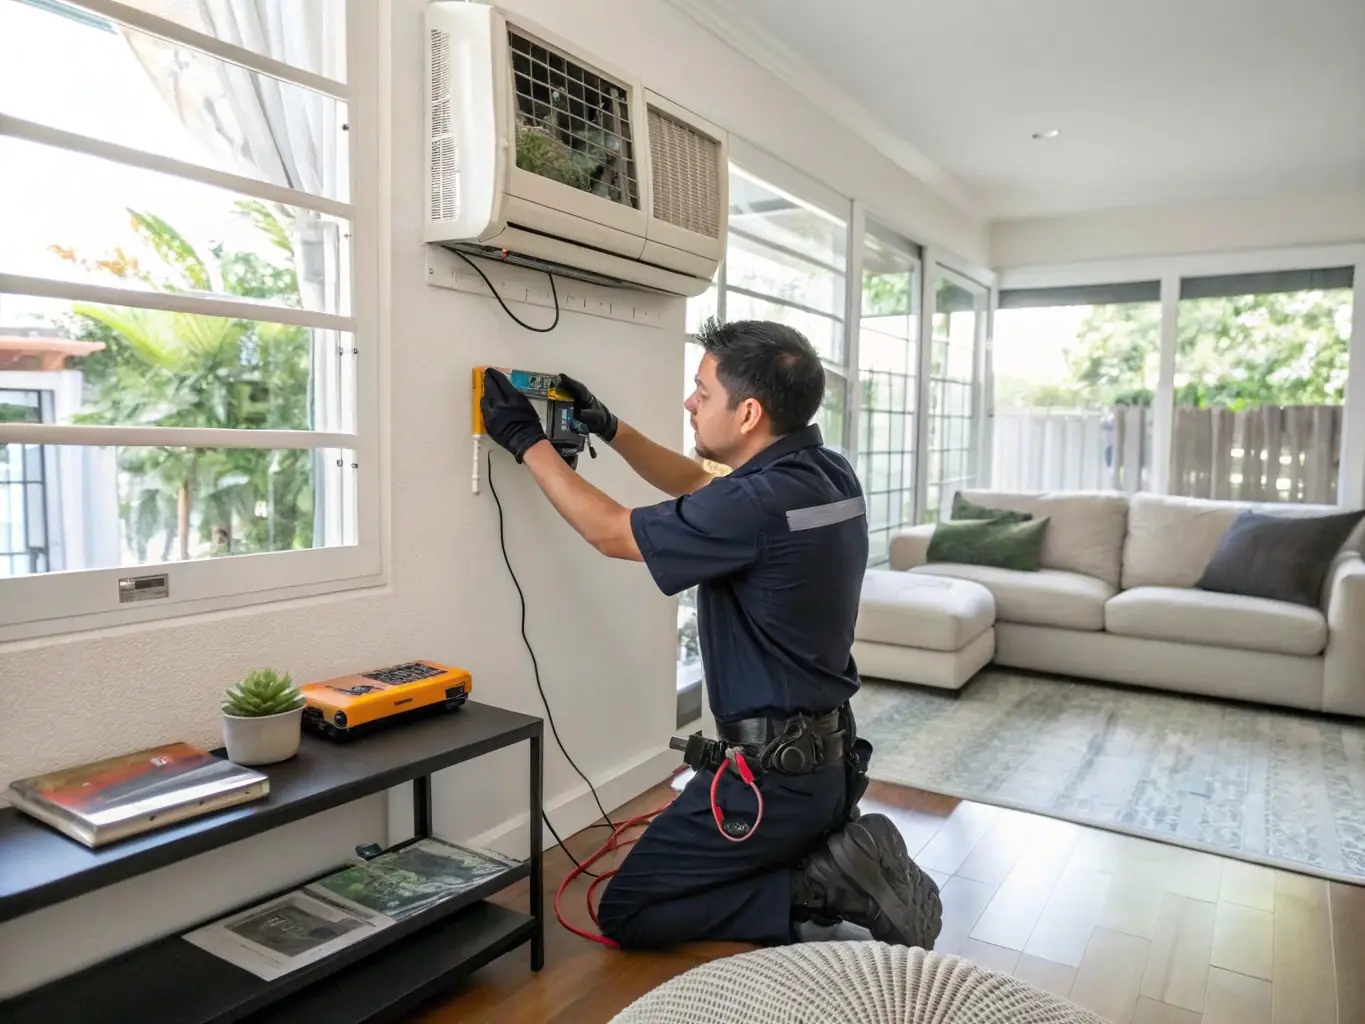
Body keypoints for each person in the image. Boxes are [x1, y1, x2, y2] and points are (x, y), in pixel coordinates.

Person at [478, 317, 942, 950]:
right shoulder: (827, 473)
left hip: (770, 780)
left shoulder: (751, 507)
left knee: (628, 910)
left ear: (748, 412)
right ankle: (829, 847)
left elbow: (611, 531)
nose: (690, 402)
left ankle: (819, 882)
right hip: (826, 766)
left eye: (701, 390)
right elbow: (701, 484)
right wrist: (609, 428)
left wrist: (524, 439)